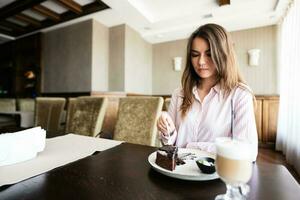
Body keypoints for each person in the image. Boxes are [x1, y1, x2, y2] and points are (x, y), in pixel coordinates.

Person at [157, 23, 258, 160]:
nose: (201, 62)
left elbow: (247, 151)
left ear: (223, 55)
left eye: (209, 54)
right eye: (195, 55)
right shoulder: (179, 93)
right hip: (179, 170)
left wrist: (192, 147)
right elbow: (170, 143)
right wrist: (167, 131)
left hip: (216, 175)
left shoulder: (240, 95)